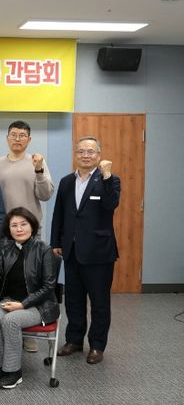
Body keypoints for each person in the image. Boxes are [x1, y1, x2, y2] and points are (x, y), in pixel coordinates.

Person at [0, 121, 54, 353]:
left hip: (30, 232)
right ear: (7, 137)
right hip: (3, 232)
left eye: (22, 135)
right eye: (14, 134)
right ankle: (4, 327)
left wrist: (39, 170)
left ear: (29, 139)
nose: (18, 138)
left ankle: (27, 331)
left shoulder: (36, 162)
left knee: (30, 280)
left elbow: (45, 194)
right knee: (5, 280)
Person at [52, 137, 120, 365]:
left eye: (91, 151)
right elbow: (59, 214)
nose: (85, 155)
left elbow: (111, 204)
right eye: (81, 151)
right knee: (73, 299)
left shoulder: (109, 180)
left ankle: (97, 345)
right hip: (72, 251)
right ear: (76, 154)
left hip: (99, 253)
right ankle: (74, 340)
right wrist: (56, 242)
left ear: (98, 155)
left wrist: (107, 176)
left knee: (99, 302)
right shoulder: (66, 181)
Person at [0, 207, 60, 389]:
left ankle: (13, 371)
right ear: (9, 230)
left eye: (23, 224)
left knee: (11, 321)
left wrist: (23, 304)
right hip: (11, 300)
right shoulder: (6, 248)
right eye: (14, 225)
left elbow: (49, 287)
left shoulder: (44, 250)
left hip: (39, 305)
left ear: (32, 226)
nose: (19, 229)